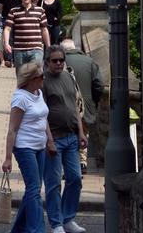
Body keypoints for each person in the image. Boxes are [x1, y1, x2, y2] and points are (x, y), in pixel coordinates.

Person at [2, 62, 56, 233]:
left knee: (33, 189)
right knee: (33, 190)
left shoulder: (38, 93)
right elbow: (12, 129)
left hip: (40, 146)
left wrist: (50, 141)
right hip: (25, 148)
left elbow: (43, 118)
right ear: (31, 79)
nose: (44, 78)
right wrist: (8, 157)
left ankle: (18, 229)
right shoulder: (20, 98)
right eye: (41, 76)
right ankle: (37, 229)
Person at [43, 45, 88, 233]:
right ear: (47, 62)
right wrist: (49, 140)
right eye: (55, 60)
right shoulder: (43, 81)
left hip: (71, 138)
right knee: (53, 184)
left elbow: (75, 108)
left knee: (75, 179)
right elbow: (41, 114)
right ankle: (56, 223)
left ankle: (68, 219)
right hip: (55, 139)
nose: (59, 63)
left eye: (61, 60)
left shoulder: (69, 77)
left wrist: (81, 131)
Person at [61, 38, 104, 175]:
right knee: (83, 133)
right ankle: (82, 162)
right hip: (85, 105)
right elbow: (99, 85)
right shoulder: (90, 62)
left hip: (64, 106)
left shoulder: (58, 62)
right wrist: (93, 100)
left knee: (66, 135)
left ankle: (69, 164)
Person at [3, 0, 50, 71]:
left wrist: (48, 47)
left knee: (36, 76)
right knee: (22, 79)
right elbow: (7, 29)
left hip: (36, 49)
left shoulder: (40, 11)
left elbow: (44, 30)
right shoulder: (13, 11)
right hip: (19, 50)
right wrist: (6, 43)